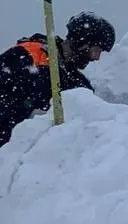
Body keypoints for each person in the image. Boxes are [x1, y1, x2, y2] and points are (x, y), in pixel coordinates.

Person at [0, 12, 116, 147]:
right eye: (96, 50)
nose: (96, 58)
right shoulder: (26, 56)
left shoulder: (79, 85)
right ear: (81, 42)